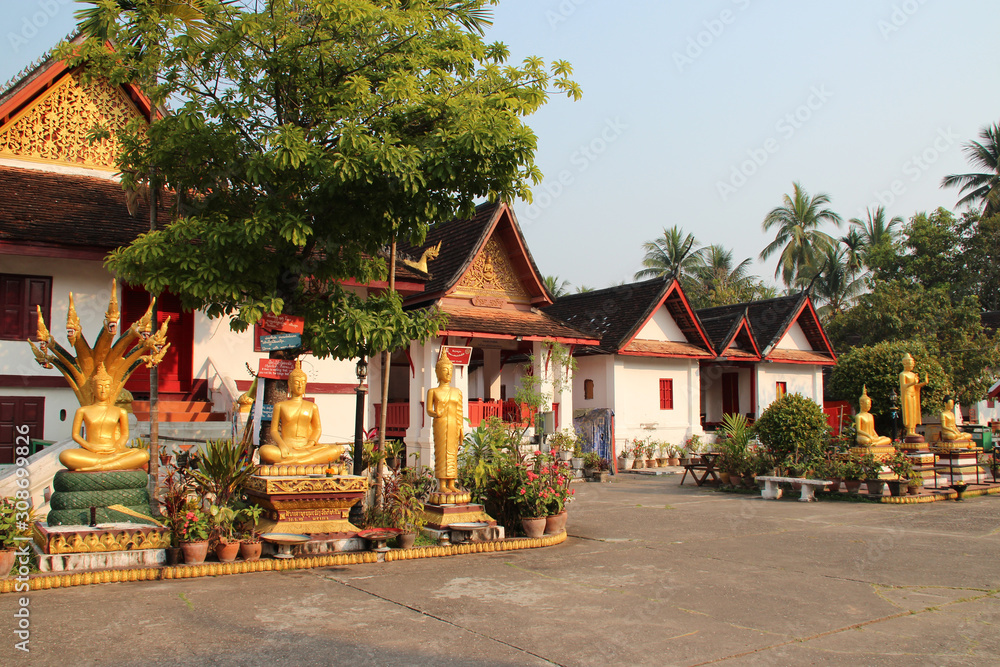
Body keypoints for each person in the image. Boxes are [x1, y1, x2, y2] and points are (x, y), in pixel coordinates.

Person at [59, 364, 149, 471]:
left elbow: (125, 434)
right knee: (65, 456)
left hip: (113, 451)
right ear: (92, 389)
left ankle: (101, 466)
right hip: (91, 452)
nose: (103, 390)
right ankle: (109, 464)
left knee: (143, 455)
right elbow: (75, 435)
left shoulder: (120, 411)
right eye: (99, 386)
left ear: (111, 389)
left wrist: (117, 447)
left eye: (106, 387)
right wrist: (90, 446)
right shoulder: (83, 410)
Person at [260, 363, 344, 465]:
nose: (300, 385)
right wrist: (282, 445)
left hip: (307, 448)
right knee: (265, 451)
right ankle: (301, 461)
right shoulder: (280, 405)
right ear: (290, 384)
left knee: (336, 449)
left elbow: (317, 429)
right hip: (287, 448)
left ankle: (297, 461)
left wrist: (311, 443)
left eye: (303, 382)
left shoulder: (312, 406)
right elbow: (273, 430)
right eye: (296, 382)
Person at [426, 356, 463, 494]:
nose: (448, 373)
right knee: (441, 452)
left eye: (450, 370)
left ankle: (452, 483)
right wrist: (436, 413)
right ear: (438, 372)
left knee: (453, 453)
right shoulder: (433, 391)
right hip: (440, 424)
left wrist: (461, 428)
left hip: (454, 424)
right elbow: (429, 409)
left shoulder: (457, 392)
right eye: (445, 370)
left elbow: (459, 411)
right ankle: (442, 483)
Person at [899, 353, 927, 438]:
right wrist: (913, 383)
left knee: (914, 412)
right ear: (905, 364)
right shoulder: (903, 374)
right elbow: (903, 386)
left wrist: (924, 383)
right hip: (907, 394)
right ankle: (909, 430)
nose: (911, 366)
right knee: (909, 412)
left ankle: (913, 430)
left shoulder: (913, 374)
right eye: (910, 364)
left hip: (914, 394)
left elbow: (916, 386)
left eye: (912, 364)